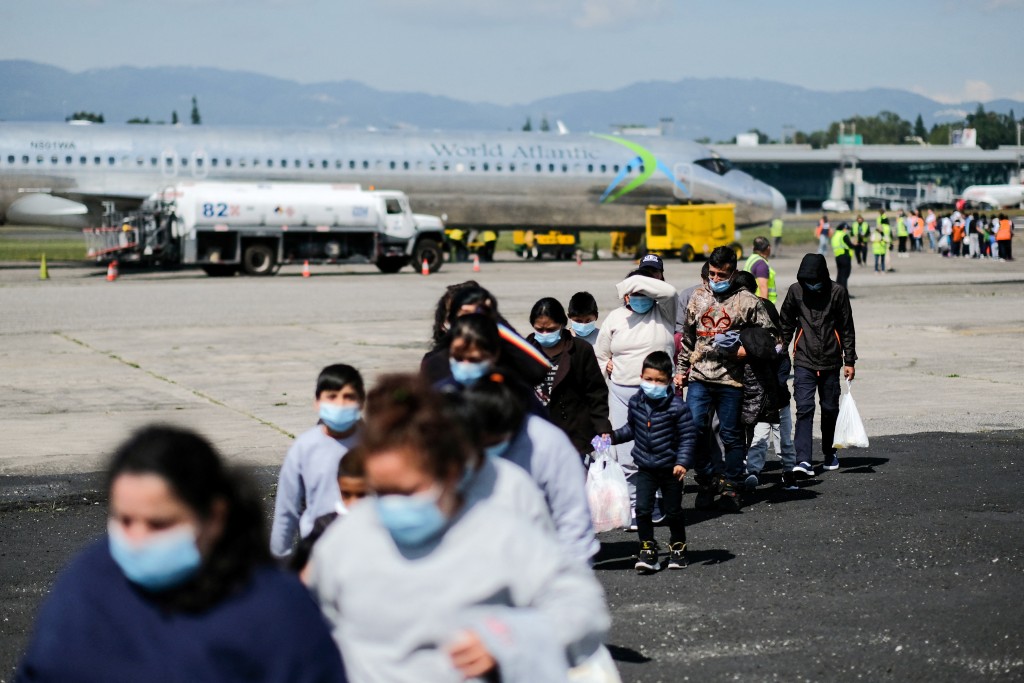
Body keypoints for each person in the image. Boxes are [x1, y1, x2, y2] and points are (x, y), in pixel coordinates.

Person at [308, 375, 609, 682]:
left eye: (408, 491)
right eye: (382, 492)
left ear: (450, 473)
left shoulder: (499, 532)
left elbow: (581, 606)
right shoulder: (346, 540)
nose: (393, 504)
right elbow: (307, 628)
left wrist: (510, 638)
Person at [17, 425, 346, 682]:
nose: (137, 539)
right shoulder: (88, 581)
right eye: (124, 520)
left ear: (214, 517)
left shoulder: (279, 612)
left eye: (160, 524)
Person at [675, 246, 777, 512]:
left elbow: (772, 338)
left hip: (731, 380)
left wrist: (747, 350)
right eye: (712, 273)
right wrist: (681, 370)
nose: (716, 279)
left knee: (731, 435)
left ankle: (732, 485)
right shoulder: (697, 297)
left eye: (722, 275)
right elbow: (687, 338)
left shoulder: (747, 301)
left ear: (733, 273)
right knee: (695, 429)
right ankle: (707, 480)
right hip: (699, 377)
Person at [462, 375, 600, 566]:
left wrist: (574, 574)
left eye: (495, 441)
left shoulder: (547, 443)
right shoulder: (452, 438)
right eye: (481, 442)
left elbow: (572, 519)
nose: (488, 447)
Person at [594, 270, 678, 522]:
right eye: (634, 294)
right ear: (626, 297)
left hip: (659, 396)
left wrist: (630, 283)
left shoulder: (664, 312)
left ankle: (657, 501)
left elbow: (670, 291)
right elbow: (600, 354)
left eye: (644, 293)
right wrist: (606, 366)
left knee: (659, 452)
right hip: (622, 394)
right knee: (628, 455)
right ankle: (635, 505)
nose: (639, 298)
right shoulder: (615, 318)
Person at [606, 351, 695, 573]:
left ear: (669, 380)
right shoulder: (636, 402)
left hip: (671, 469)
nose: (652, 384)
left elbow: (687, 437)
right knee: (643, 510)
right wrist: (611, 437)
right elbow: (631, 429)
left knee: (673, 512)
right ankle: (647, 549)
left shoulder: (677, 407)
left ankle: (678, 547)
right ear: (641, 376)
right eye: (648, 379)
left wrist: (682, 462)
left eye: (659, 380)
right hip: (645, 467)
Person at [270, 364, 364, 559]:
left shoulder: (374, 444)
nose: (340, 404)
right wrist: (280, 559)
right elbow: (287, 509)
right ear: (317, 402)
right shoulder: (304, 447)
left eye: (348, 397)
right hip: (317, 549)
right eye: (332, 397)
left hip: (364, 548)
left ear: (361, 402)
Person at [779, 254, 857, 476]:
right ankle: (802, 459)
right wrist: (781, 352)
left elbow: (846, 328)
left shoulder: (837, 292)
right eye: (807, 281)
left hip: (832, 360)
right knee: (804, 408)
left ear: (824, 276)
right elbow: (785, 323)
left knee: (830, 408)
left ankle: (830, 452)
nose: (812, 286)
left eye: (815, 281)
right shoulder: (796, 291)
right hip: (804, 359)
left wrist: (849, 360)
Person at [730, 272, 795, 489]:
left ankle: (779, 470)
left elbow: (780, 351)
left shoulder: (742, 313)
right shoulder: (751, 311)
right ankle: (764, 471)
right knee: (772, 433)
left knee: (772, 433)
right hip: (767, 390)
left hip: (766, 391)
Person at [526, 297, 611, 458]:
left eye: (550, 329)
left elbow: (596, 392)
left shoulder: (580, 350)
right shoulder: (526, 350)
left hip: (574, 432)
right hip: (537, 433)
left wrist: (602, 428)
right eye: (540, 329)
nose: (545, 334)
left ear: (562, 324)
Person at [290, 449, 370, 580]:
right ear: (338, 487)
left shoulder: (388, 527)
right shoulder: (324, 527)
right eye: (346, 494)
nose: (353, 503)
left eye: (362, 495)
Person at [743, 236, 777, 303]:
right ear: (768, 248)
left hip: (750, 301)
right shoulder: (761, 264)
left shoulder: (752, 258)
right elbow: (763, 287)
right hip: (758, 303)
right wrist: (765, 309)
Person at [831, 221, 855, 290]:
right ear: (844, 228)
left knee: (840, 275)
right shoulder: (843, 235)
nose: (847, 231)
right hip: (845, 257)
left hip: (838, 257)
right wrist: (856, 245)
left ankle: (836, 292)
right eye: (847, 229)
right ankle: (844, 293)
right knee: (845, 275)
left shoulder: (835, 235)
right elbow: (850, 245)